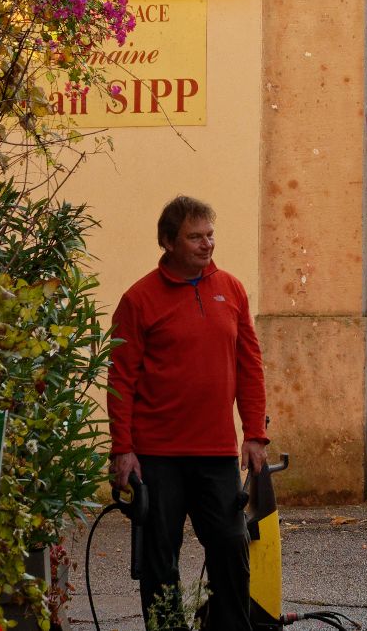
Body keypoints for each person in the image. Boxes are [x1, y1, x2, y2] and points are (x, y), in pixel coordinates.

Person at [107, 196, 268, 631]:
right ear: (168, 242)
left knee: (231, 548)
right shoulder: (139, 299)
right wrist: (122, 449)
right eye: (195, 237)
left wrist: (254, 433)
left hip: (215, 453)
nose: (206, 245)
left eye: (210, 235)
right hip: (157, 455)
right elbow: (121, 378)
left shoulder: (231, 290)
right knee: (161, 559)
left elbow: (249, 365)